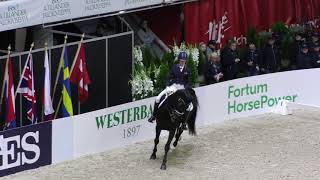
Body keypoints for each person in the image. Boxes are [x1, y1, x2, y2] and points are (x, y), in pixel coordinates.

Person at [148, 52, 193, 130]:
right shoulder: (174, 67)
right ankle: (154, 116)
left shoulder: (188, 70)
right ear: (179, 60)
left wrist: (186, 88)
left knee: (190, 106)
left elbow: (188, 82)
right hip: (173, 86)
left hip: (182, 88)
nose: (182, 62)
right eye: (181, 61)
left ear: (186, 61)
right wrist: (167, 85)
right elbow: (169, 77)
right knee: (158, 98)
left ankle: (184, 123)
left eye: (184, 61)